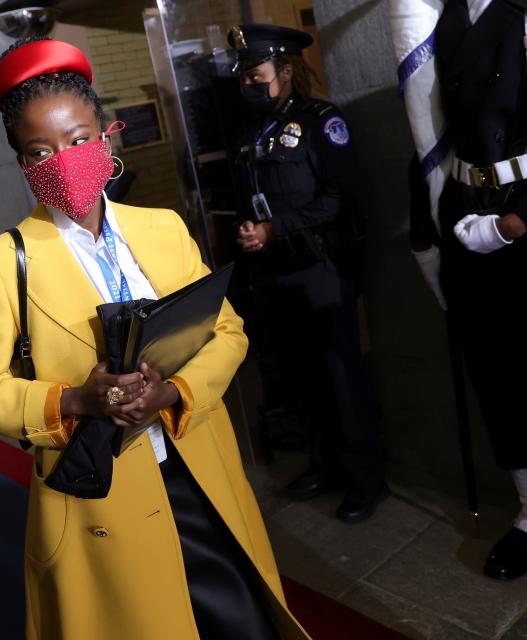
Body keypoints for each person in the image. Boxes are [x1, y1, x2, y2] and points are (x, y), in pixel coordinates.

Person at [0, 36, 309, 639]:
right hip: (101, 494)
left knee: (245, 623)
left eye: (78, 140)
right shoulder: (4, 261)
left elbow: (227, 330)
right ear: (22, 166)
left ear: (106, 135)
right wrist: (73, 401)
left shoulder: (163, 228)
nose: (62, 160)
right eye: (40, 151)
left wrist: (172, 392)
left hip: (196, 466)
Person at [229, 24, 387, 523]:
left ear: (287, 70)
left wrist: (276, 229)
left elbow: (339, 199)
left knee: (342, 376)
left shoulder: (322, 121)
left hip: (322, 268)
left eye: (257, 75)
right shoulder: (255, 131)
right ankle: (325, 466)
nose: (250, 85)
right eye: (246, 77)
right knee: (304, 377)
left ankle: (366, 480)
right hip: (277, 274)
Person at [424, 0, 527, 580]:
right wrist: (426, 231)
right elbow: (426, 127)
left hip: (518, 217)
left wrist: (516, 222)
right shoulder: (436, 16)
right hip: (464, 215)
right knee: (498, 380)